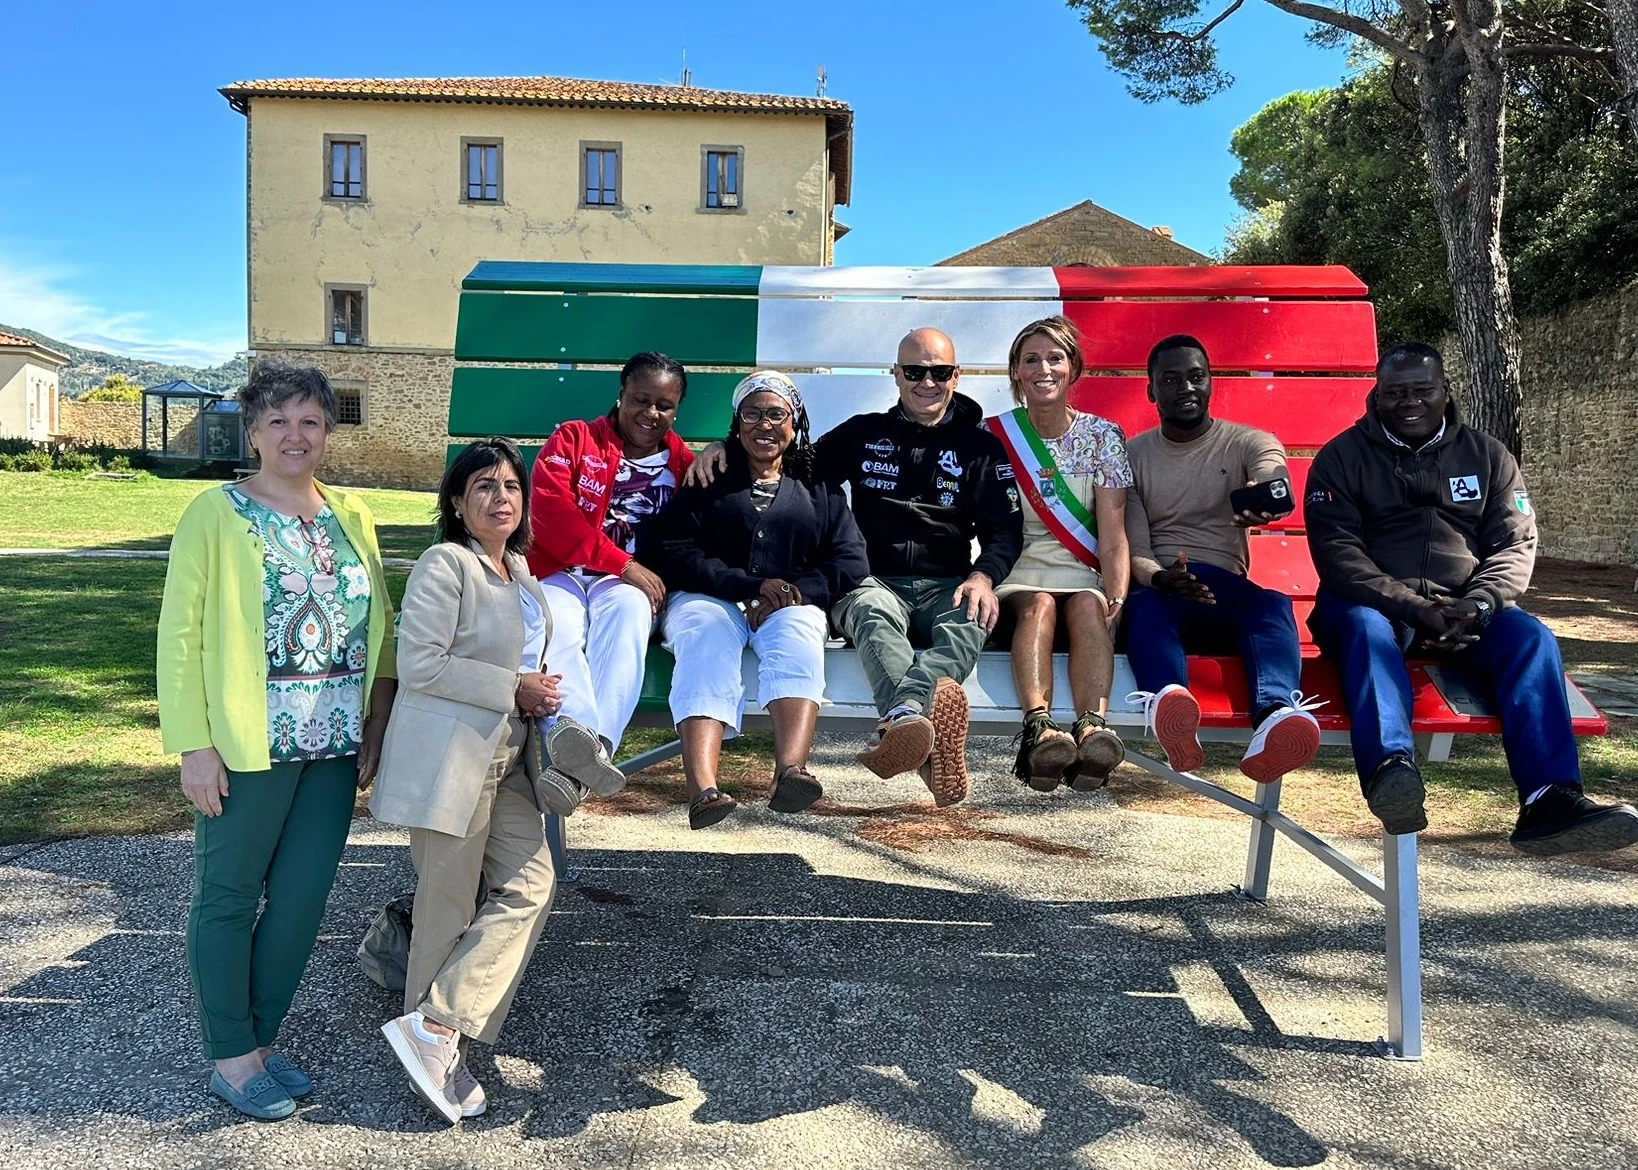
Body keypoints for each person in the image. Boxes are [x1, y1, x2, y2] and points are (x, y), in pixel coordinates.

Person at [156, 359, 398, 1120]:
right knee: (227, 898)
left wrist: (379, 718)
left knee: (300, 902)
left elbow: (381, 623)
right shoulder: (216, 512)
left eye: (310, 422)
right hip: (244, 744)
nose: (295, 436)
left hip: (331, 743)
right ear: (254, 431)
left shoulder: (349, 514)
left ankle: (257, 1045)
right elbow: (180, 634)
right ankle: (231, 1057)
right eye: (278, 422)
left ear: (328, 432)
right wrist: (194, 743)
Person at [371, 438, 624, 1125]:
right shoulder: (444, 563)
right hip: (449, 760)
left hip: (509, 763)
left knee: (533, 882)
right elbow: (422, 662)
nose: (501, 497)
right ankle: (434, 1049)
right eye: (483, 486)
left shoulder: (520, 572)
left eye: (510, 485)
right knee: (446, 909)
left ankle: (436, 1024)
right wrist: (512, 688)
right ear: (457, 502)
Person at [1305, 342, 1638, 853]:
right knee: (1364, 629)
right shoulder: (1341, 459)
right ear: (1377, 394)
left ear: (1445, 392)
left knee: (1530, 637)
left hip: (1466, 611)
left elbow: (1515, 544)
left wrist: (1478, 603)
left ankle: (1550, 801)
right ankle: (1392, 770)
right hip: (1372, 607)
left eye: (1422, 390)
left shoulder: (1488, 456)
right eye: (1395, 392)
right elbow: (1339, 556)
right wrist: (1415, 608)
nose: (1409, 402)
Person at [686, 328, 1022, 806]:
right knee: (871, 613)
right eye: (914, 372)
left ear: (956, 376)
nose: (926, 382)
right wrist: (723, 447)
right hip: (872, 580)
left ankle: (905, 722)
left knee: (973, 618)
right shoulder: (862, 433)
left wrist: (983, 575)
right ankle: (920, 732)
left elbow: (1005, 530)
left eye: (939, 372)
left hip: (949, 581)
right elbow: (788, 456)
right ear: (896, 375)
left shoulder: (982, 449)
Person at [650, 371, 868, 829]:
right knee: (704, 637)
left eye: (776, 414)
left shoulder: (820, 486)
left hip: (786, 603)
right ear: (736, 422)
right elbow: (675, 552)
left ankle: (790, 771)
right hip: (709, 598)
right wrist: (747, 586)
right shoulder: (709, 476)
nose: (763, 425)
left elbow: (850, 561)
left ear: (796, 422)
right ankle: (703, 790)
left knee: (802, 631)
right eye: (751, 414)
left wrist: (796, 591)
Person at [1121, 335, 1323, 782]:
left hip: (1226, 589)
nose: (1186, 389)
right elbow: (1134, 548)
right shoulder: (1131, 457)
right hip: (1163, 589)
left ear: (1212, 382)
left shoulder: (1248, 441)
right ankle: (1170, 703)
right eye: (1170, 380)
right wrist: (1160, 579)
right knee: (1144, 606)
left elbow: (1274, 477)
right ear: (1152, 391)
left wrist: (1271, 498)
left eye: (1196, 377)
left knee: (1271, 605)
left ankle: (1275, 715)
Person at [985, 316, 1132, 792]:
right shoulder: (992, 436)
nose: (1043, 369)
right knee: (1039, 604)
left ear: (1074, 369)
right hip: (1016, 572)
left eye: (1055, 358)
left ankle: (1093, 730)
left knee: (1090, 604)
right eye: (1031, 359)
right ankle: (1039, 730)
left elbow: (1112, 534)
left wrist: (1119, 597)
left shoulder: (1104, 437)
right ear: (1015, 372)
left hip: (1082, 571)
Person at [528, 352, 696, 763]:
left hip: (626, 585)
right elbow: (550, 514)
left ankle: (598, 747)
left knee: (628, 617)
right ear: (621, 394)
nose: (651, 413)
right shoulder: (574, 439)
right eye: (641, 399)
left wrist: (719, 451)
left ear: (676, 410)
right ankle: (572, 737)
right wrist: (622, 562)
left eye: (665, 405)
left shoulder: (685, 466)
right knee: (559, 625)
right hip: (559, 569)